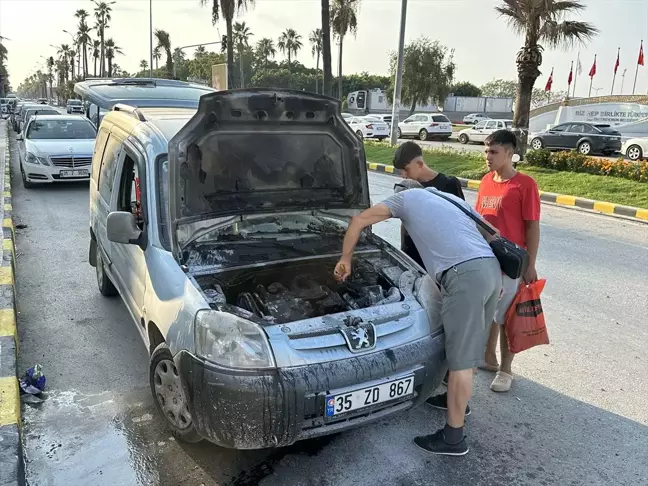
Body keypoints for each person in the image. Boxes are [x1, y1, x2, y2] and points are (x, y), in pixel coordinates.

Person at [333, 184, 502, 456]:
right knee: (469, 348)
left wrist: (346, 258)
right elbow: (493, 234)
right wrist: (492, 278)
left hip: (463, 276)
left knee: (460, 359)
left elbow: (358, 220)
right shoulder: (447, 198)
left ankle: (453, 438)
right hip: (490, 269)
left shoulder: (406, 198)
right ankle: (456, 402)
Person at [476, 129, 541, 393]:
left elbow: (532, 228)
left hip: (512, 263)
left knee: (506, 316)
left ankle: (506, 369)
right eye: (486, 151)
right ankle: (488, 358)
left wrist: (531, 265)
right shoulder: (485, 181)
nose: (488, 156)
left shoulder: (525, 185)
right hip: (485, 259)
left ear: (510, 154)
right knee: (490, 311)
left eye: (493, 152)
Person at [393, 142, 465, 268]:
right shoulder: (405, 187)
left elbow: (461, 222)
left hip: (440, 260)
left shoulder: (449, 185)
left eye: (406, 169)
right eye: (401, 171)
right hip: (412, 256)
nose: (403, 175)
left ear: (420, 163)